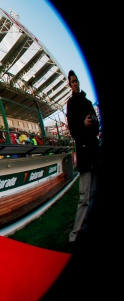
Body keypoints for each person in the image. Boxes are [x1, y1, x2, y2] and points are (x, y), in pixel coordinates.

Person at [66, 69, 100, 246]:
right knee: (83, 197)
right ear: (69, 85)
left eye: (77, 80)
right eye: (72, 81)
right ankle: (74, 235)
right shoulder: (71, 104)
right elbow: (73, 130)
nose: (75, 83)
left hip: (94, 152)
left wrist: (92, 124)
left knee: (93, 194)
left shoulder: (87, 102)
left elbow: (97, 126)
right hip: (85, 153)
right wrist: (83, 124)